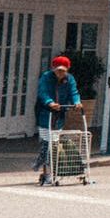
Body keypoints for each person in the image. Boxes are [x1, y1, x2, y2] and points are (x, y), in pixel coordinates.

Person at [35, 55, 83, 186]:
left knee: (54, 144)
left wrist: (77, 102)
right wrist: (49, 102)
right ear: (53, 68)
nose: (60, 73)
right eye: (58, 70)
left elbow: (73, 92)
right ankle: (47, 173)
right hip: (45, 113)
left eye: (63, 71)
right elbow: (42, 92)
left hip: (60, 113)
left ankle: (52, 171)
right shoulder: (46, 77)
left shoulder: (69, 79)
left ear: (67, 70)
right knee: (46, 143)